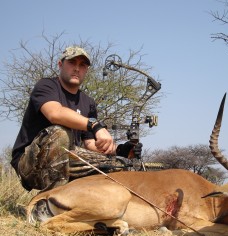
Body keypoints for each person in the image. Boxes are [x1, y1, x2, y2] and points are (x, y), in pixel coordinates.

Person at [11, 46, 142, 192]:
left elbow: (90, 143)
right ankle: (49, 202)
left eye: (82, 65)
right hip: (31, 163)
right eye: (72, 63)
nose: (77, 69)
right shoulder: (46, 85)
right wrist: (95, 125)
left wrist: (117, 149)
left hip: (67, 158)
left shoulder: (88, 102)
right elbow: (55, 113)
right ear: (61, 65)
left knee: (118, 164)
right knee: (60, 132)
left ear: (86, 70)